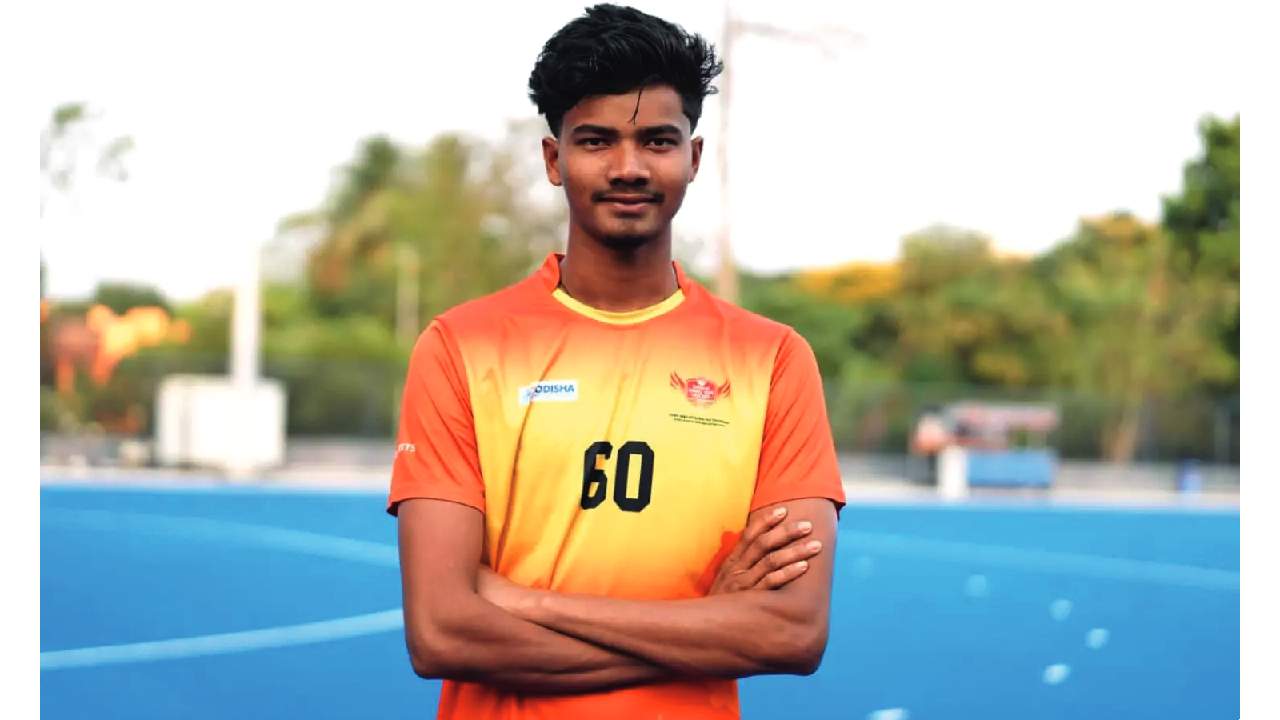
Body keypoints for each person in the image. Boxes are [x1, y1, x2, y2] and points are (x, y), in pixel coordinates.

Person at [387, 5, 846, 718]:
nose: (628, 168)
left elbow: (792, 633)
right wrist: (707, 623)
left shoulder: (773, 359)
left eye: (657, 141)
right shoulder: (461, 346)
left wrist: (525, 601)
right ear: (554, 160)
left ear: (693, 158)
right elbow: (442, 633)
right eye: (597, 141)